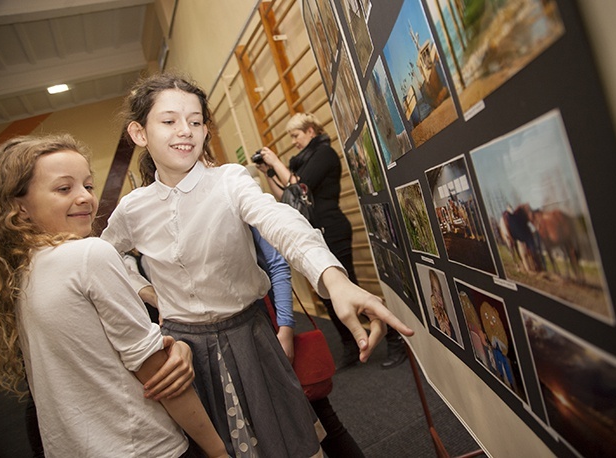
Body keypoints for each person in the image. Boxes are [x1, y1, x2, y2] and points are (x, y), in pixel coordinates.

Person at [100, 73, 413, 458]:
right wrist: (146, 291)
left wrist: (333, 278)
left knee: (290, 441)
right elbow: (106, 257)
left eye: (195, 121)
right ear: (139, 133)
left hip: (249, 335)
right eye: (169, 121)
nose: (186, 131)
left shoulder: (229, 180)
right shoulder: (133, 208)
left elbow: (279, 221)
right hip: (184, 352)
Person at [0, 134, 227, 458]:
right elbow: (160, 376)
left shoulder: (23, 269)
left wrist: (174, 345)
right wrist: (217, 450)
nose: (84, 198)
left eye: (88, 186)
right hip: (142, 447)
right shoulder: (88, 254)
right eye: (64, 188)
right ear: (20, 207)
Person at [255, 112, 408, 369]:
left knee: (351, 288)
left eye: (296, 135)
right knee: (327, 296)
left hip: (332, 228)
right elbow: (287, 197)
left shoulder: (324, 154)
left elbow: (300, 188)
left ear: (311, 131)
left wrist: (276, 161)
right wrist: (269, 172)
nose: (293, 141)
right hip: (312, 234)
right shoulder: (300, 162)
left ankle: (395, 339)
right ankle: (350, 345)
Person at [252, 227, 365, 457]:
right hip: (238, 343)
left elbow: (277, 263)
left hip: (269, 330)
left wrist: (284, 329)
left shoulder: (233, 194)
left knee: (322, 417)